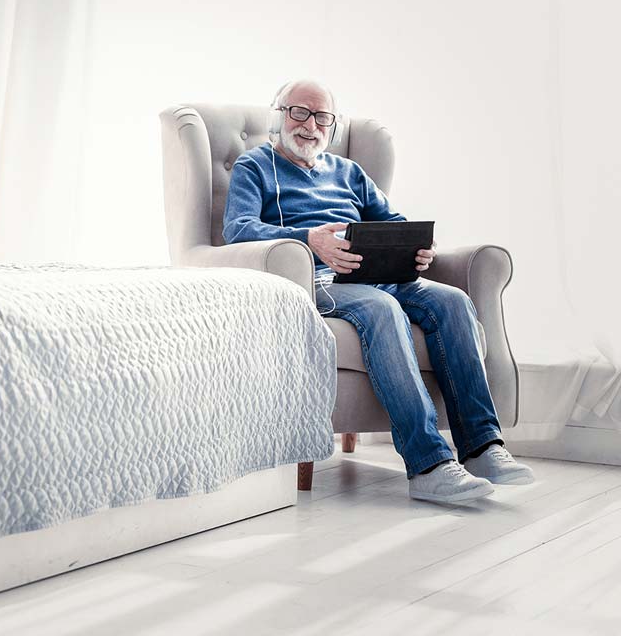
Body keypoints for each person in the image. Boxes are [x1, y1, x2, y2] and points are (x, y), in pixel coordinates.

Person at [222, 80, 534, 505]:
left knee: (454, 301)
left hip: (381, 274)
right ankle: (429, 465)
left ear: (331, 126)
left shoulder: (349, 173)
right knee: (382, 308)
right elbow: (237, 230)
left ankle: (481, 448)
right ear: (278, 115)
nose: (310, 125)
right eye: (299, 112)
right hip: (318, 280)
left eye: (321, 117)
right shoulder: (254, 166)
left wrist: (418, 249)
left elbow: (394, 221)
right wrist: (309, 239)